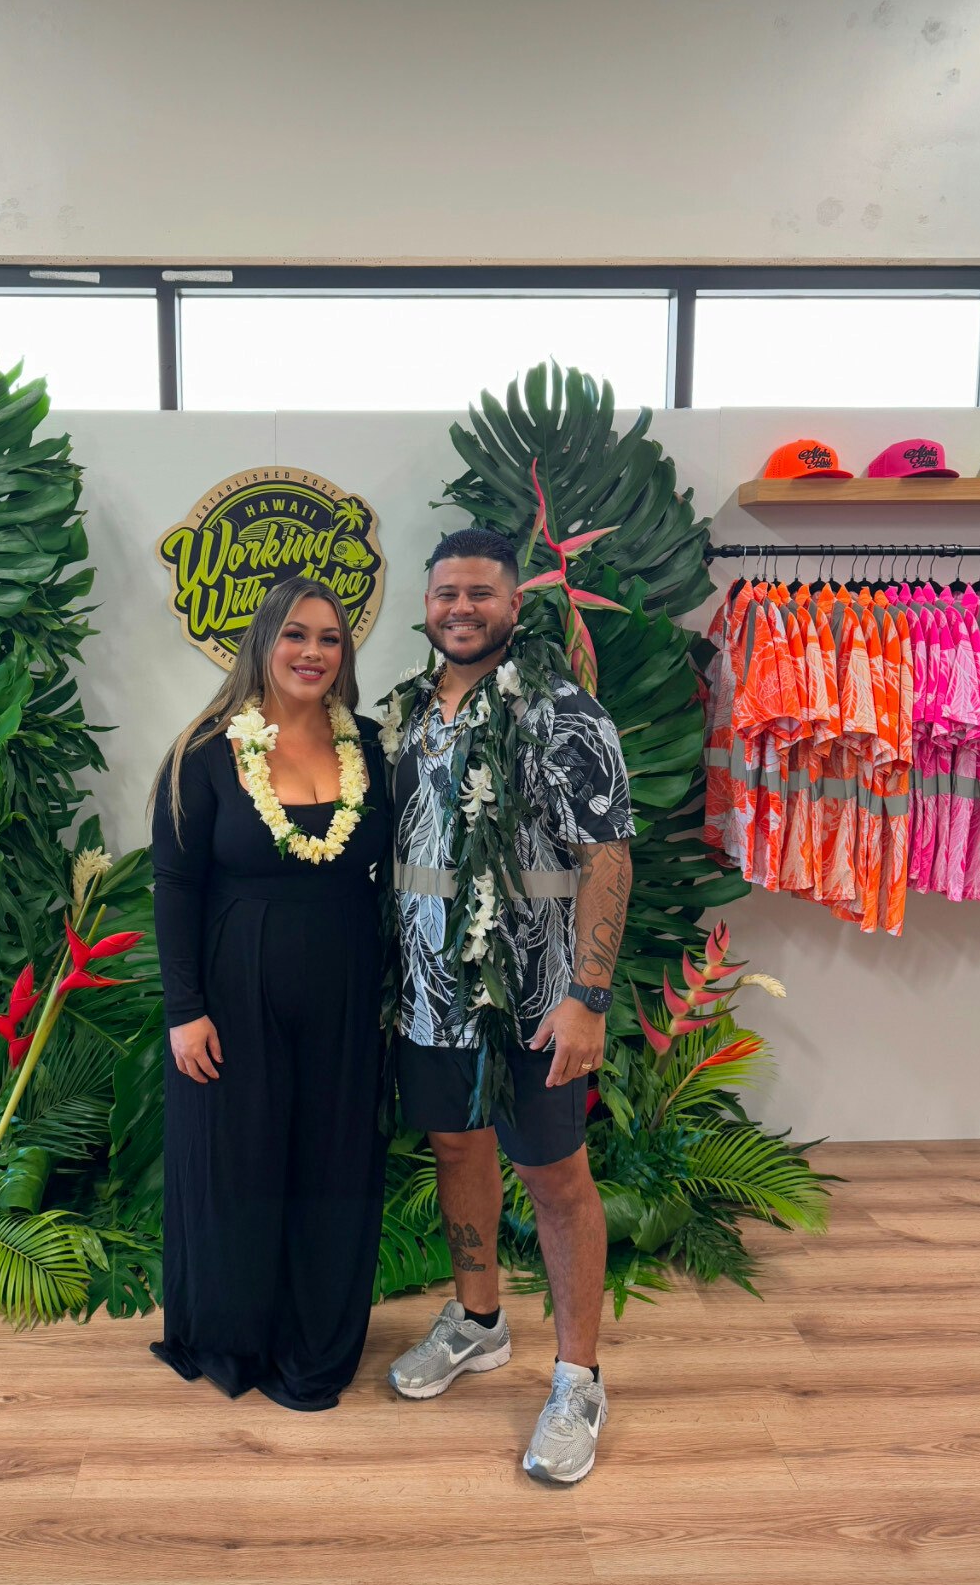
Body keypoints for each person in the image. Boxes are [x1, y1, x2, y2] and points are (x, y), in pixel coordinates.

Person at [386, 528, 633, 1483]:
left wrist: (587, 996)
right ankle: (480, 1319)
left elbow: (607, 854)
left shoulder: (563, 713)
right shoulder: (410, 711)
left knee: (556, 1174)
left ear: (514, 604)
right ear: (426, 602)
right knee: (458, 1147)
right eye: (446, 591)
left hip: (536, 999)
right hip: (428, 993)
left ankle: (578, 1377)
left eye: (480, 593)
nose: (460, 607)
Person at [149, 576, 390, 1411]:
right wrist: (184, 1010)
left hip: (347, 994)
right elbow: (174, 886)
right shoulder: (206, 752)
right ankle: (233, 1333)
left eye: (330, 638)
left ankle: (317, 1341)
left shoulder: (372, 748)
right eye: (296, 634)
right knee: (237, 1161)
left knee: (332, 1160)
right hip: (232, 995)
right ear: (262, 642)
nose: (313, 652)